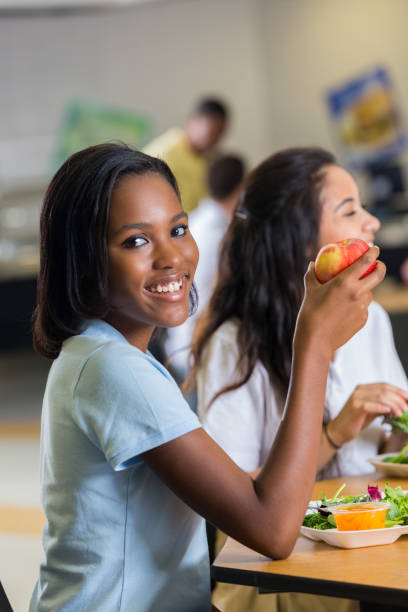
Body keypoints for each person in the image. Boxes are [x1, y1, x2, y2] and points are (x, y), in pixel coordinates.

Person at [29, 143, 384, 612]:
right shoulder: (112, 369)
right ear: (83, 258)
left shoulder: (104, 356)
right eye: (136, 240)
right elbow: (272, 529)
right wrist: (313, 345)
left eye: (178, 229)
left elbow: (242, 489)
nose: (172, 256)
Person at [190, 147, 408, 612]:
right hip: (285, 585)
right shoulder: (235, 345)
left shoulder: (374, 322)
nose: (370, 222)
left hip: (370, 560)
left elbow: (387, 458)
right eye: (350, 211)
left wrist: (397, 431)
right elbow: (239, 499)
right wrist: (334, 433)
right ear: (300, 239)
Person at [164, 153, 246, 381]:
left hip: (182, 344)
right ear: (241, 186)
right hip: (196, 351)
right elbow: (207, 302)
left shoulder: (197, 220)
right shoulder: (217, 234)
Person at [144, 97, 228, 214]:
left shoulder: (207, 160)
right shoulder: (163, 154)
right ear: (195, 120)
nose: (216, 140)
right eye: (213, 131)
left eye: (221, 134)